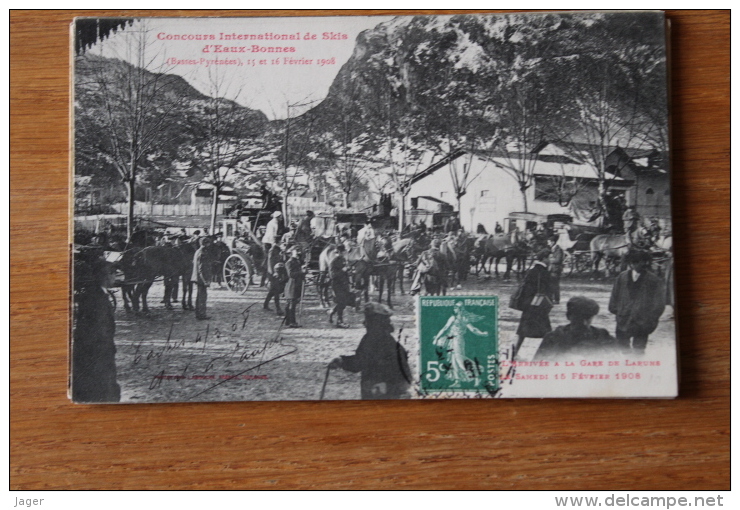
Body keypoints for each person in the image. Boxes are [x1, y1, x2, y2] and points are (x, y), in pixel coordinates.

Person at [329, 302, 411, 399]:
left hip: (384, 394)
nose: (364, 323)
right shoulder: (371, 339)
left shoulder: (385, 342)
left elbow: (402, 372)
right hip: (374, 391)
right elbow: (361, 360)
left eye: (368, 319)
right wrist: (342, 361)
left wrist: (388, 386)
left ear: (376, 321)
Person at [72, 253, 120, 402]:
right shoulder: (97, 298)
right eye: (114, 274)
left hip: (92, 349)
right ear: (106, 276)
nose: (115, 278)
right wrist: (106, 348)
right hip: (97, 351)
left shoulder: (96, 293)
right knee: (101, 386)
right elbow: (99, 328)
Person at [609, 249, 666, 355]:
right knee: (622, 345)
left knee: (639, 349)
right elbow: (614, 296)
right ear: (631, 263)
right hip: (623, 320)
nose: (641, 264)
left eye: (643, 262)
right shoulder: (622, 277)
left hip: (642, 322)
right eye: (636, 262)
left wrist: (651, 319)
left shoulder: (653, 280)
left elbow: (659, 303)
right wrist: (618, 311)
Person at [534, 297, 617, 360]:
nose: (584, 323)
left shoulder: (603, 337)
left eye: (587, 318)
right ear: (568, 316)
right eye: (579, 318)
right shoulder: (553, 338)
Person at [433, 300, 489, 387]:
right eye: (454, 307)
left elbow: (473, 329)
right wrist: (437, 337)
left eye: (456, 307)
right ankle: (457, 381)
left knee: (460, 360)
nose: (454, 308)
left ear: (461, 309)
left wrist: (482, 334)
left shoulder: (463, 318)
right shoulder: (453, 318)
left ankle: (477, 376)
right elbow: (445, 328)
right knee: (453, 361)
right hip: (451, 341)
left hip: (458, 340)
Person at [513, 249, 554, 358]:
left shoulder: (532, 270)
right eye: (549, 257)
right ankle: (544, 355)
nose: (551, 260)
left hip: (528, 304)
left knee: (523, 331)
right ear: (544, 258)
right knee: (546, 332)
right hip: (538, 305)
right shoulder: (543, 272)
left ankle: (515, 353)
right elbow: (544, 290)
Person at [328, 243, 354, 328]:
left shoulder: (343, 260)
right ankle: (339, 321)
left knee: (343, 303)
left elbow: (345, 271)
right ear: (339, 252)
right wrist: (343, 270)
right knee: (341, 302)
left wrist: (349, 272)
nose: (344, 253)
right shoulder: (333, 261)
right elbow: (332, 275)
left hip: (344, 284)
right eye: (343, 252)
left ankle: (332, 311)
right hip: (337, 285)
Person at [191, 236, 214, 320]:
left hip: (198, 278)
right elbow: (201, 269)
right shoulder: (202, 253)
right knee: (202, 297)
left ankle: (198, 314)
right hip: (201, 279)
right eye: (208, 243)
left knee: (199, 296)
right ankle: (201, 315)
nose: (209, 245)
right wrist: (205, 281)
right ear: (205, 244)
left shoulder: (198, 251)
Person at [263, 243, 287, 316]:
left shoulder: (278, 249)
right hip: (273, 274)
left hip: (277, 272)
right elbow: (270, 262)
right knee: (276, 290)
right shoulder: (272, 250)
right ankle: (278, 309)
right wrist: (274, 273)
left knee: (273, 290)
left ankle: (265, 304)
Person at [284, 246, 306, 328]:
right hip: (292, 285)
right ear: (291, 252)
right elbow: (291, 274)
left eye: (298, 250)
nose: (298, 252)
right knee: (291, 304)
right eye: (296, 251)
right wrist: (301, 272)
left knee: (291, 303)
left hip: (297, 284)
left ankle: (288, 320)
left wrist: (303, 272)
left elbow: (299, 272)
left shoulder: (297, 261)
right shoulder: (289, 262)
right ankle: (292, 322)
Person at [261, 211, 282, 286]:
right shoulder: (272, 223)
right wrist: (274, 244)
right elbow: (271, 235)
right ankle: (265, 280)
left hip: (270, 242)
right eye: (280, 216)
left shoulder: (275, 223)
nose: (281, 218)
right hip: (267, 242)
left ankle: (265, 280)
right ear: (277, 217)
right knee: (269, 260)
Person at [547, 235, 565, 304]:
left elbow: (558, 260)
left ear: (553, 242)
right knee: (551, 285)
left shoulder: (558, 250)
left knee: (555, 285)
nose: (548, 244)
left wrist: (549, 260)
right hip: (552, 269)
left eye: (549, 242)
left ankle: (557, 300)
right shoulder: (553, 249)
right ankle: (551, 299)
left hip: (556, 270)